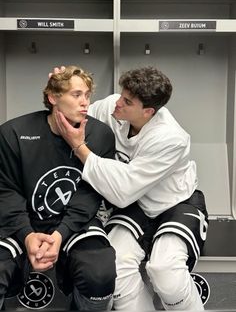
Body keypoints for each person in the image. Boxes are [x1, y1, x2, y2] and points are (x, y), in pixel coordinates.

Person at [53, 66, 209, 311]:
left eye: (127, 101)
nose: (118, 103)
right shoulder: (112, 107)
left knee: (166, 272)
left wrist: (79, 147)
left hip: (175, 204)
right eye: (121, 94)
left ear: (148, 111)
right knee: (117, 267)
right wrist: (60, 87)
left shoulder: (171, 138)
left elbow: (123, 189)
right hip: (136, 206)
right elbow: (72, 116)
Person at [0, 65, 117, 311]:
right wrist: (27, 234)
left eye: (87, 95)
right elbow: (6, 191)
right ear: (53, 98)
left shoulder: (100, 135)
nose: (85, 102)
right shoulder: (13, 132)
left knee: (99, 274)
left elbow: (90, 193)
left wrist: (61, 233)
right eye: (76, 95)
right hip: (23, 220)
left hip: (76, 222)